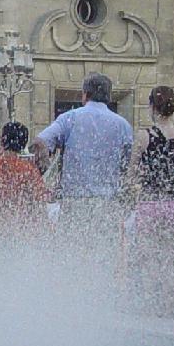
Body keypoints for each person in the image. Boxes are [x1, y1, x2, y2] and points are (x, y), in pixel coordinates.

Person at [31, 73, 132, 254]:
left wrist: (45, 168)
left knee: (72, 259)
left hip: (75, 203)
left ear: (85, 94)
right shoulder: (122, 124)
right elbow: (127, 162)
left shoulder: (70, 118)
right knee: (104, 259)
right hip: (107, 205)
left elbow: (40, 142)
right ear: (108, 96)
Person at [127, 86, 174, 315]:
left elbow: (131, 175)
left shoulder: (144, 136)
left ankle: (150, 316)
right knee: (170, 265)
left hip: (150, 205)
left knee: (149, 265)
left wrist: (139, 185)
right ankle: (169, 315)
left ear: (152, 107)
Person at [0, 122, 47, 238]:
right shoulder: (28, 170)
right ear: (23, 144)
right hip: (17, 229)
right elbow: (38, 203)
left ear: (2, 140)